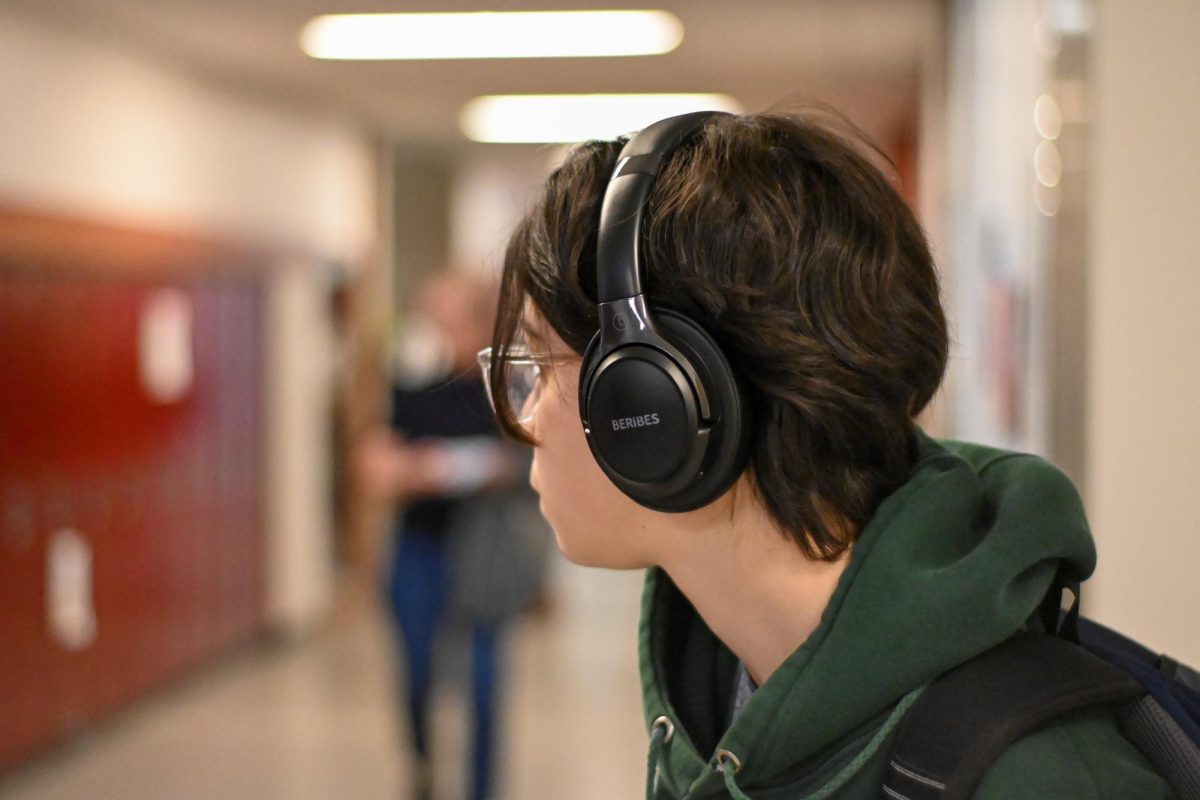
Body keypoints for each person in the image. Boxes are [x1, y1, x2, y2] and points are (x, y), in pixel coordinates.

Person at [474, 111, 1174, 799]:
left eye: (538, 363)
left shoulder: (1042, 779)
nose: (524, 419)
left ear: (651, 404)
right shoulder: (717, 692)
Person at [358, 270, 537, 800]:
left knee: (483, 687)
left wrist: (437, 468)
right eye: (431, 315)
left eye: (451, 315)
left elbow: (523, 463)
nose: (438, 327)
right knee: (416, 674)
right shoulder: (409, 383)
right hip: (419, 548)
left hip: (485, 553)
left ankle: (483, 788)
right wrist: (420, 469)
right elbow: (377, 467)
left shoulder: (505, 386)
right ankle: (421, 761)